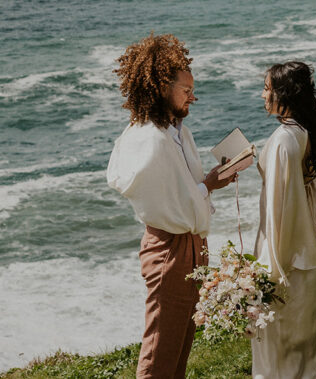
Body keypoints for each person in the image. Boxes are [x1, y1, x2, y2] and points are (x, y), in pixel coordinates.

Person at [106, 33, 233, 379]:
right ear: (163, 87)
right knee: (160, 351)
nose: (193, 96)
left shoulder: (176, 132)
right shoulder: (151, 139)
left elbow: (182, 191)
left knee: (180, 346)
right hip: (169, 250)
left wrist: (207, 185)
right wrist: (203, 188)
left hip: (190, 246)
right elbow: (155, 188)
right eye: (186, 90)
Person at [252, 61, 316, 379]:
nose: (262, 95)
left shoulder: (281, 141)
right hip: (307, 255)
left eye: (266, 88)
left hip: (287, 260)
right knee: (304, 344)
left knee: (278, 346)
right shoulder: (301, 132)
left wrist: (269, 267)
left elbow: (280, 209)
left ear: (283, 93)